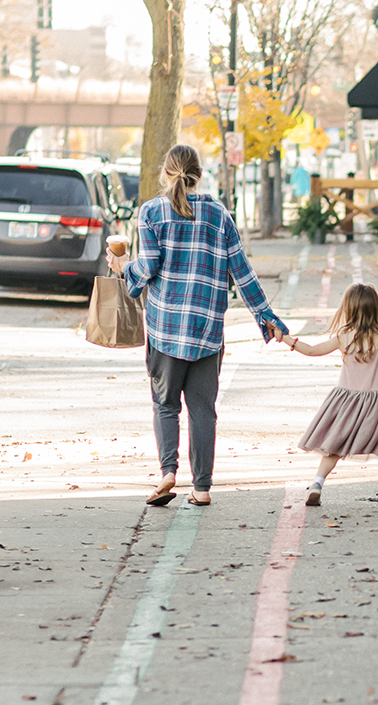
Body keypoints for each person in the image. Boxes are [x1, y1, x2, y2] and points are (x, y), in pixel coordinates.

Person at [116, 144, 289, 507]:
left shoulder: (151, 212)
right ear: (199, 174)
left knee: (165, 405)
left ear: (165, 173)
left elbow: (146, 269)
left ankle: (167, 472)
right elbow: (242, 273)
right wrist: (267, 317)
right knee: (202, 409)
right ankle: (202, 488)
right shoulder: (219, 215)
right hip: (208, 331)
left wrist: (122, 271)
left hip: (165, 328)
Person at [267, 283, 378, 505]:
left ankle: (317, 482)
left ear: (348, 309)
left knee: (334, 446)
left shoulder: (343, 337)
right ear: (376, 309)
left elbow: (311, 350)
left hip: (346, 401)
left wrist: (285, 338)